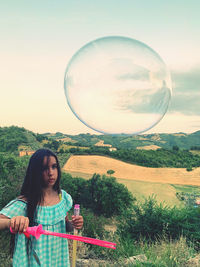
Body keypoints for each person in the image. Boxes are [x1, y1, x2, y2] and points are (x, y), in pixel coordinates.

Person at [0, 148, 83, 266]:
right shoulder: (25, 203)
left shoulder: (62, 198)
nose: (51, 172)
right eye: (44, 168)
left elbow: (64, 226)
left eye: (54, 167)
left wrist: (74, 224)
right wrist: (12, 222)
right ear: (35, 172)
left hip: (59, 260)